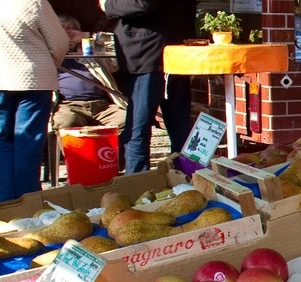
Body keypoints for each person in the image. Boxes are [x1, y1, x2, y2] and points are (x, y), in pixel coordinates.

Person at [105, 0, 197, 174]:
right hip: (175, 50)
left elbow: (141, 3)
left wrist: (108, 5)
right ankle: (185, 178)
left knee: (137, 128)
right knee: (179, 127)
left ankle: (137, 185)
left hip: (149, 51)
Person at [0, 0, 67, 200]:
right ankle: (29, 200)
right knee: (28, 142)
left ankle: (5, 201)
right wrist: (51, 62)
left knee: (2, 141)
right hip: (35, 78)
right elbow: (59, 42)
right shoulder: (33, 2)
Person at [53, 14, 125, 130]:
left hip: (101, 106)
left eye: (71, 28)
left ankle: (113, 149)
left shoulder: (90, 50)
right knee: (65, 121)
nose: (67, 32)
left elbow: (119, 48)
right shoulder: (50, 53)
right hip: (69, 106)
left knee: (125, 118)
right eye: (61, 28)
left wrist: (88, 36)